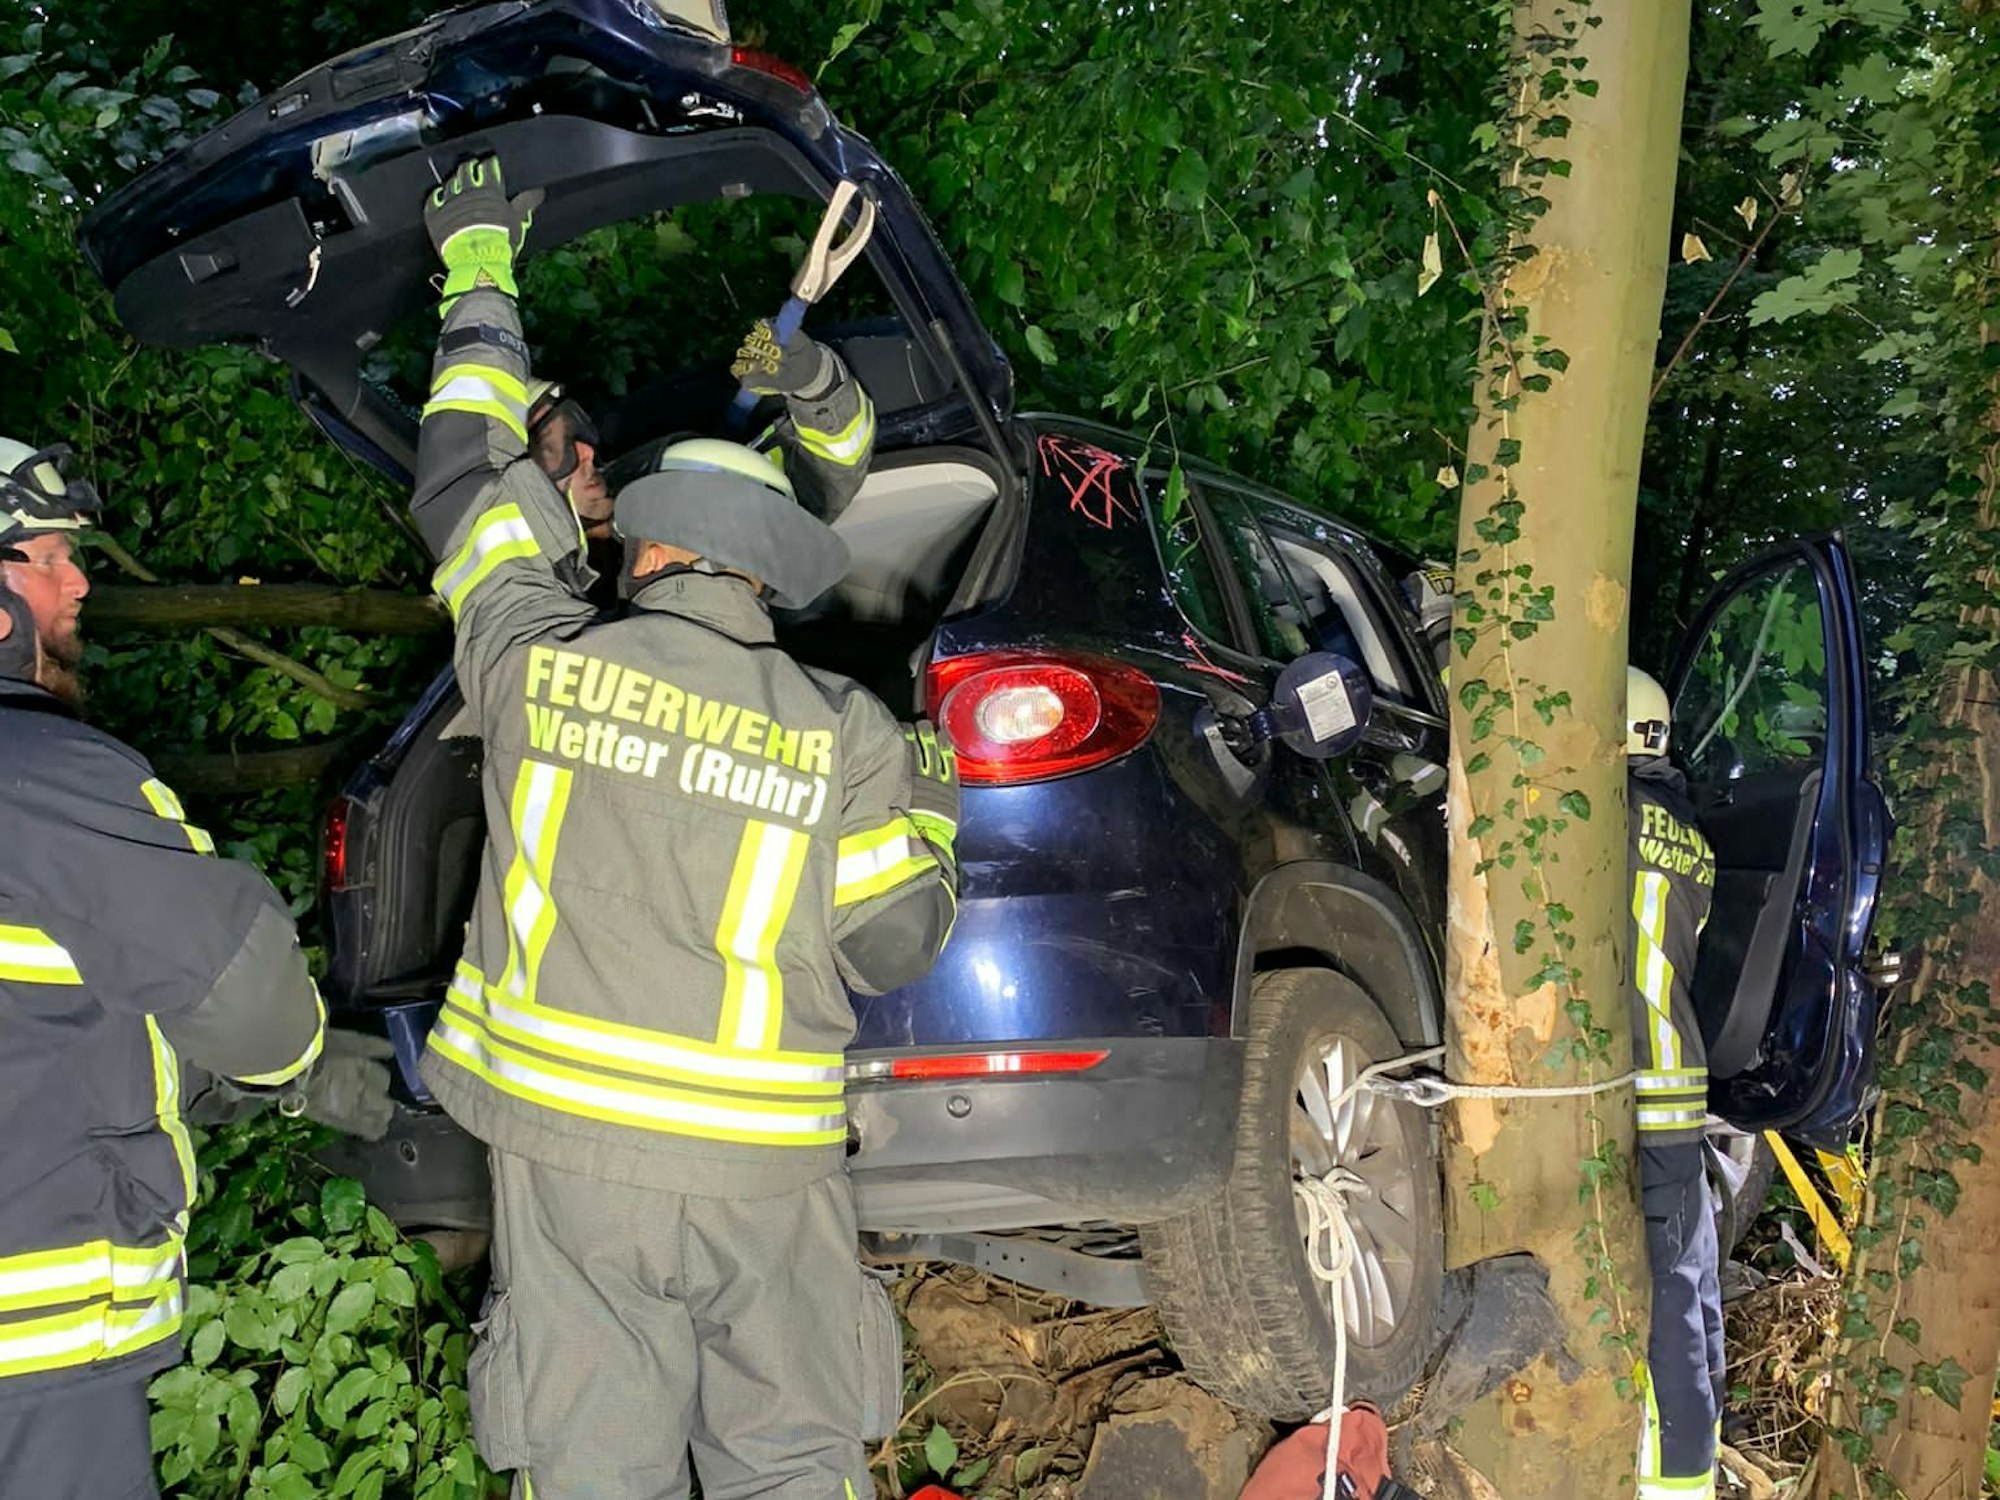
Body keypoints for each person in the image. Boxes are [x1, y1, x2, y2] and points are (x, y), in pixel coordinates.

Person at [410, 156, 959, 1499]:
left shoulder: (533, 664)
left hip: (568, 1159)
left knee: (592, 1465)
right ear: (765, 567)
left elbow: (464, 477)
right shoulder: (842, 730)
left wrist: (478, 278)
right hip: (759, 1172)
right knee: (789, 1462)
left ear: (637, 538)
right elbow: (893, 946)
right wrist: (934, 809)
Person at [0, 437, 391, 1500]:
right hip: (33, 1349)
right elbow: (244, 998)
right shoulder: (52, 778)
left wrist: (189, 1077)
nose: (79, 582)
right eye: (50, 558)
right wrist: (295, 1069)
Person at [1626, 665, 1724, 1500]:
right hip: (1678, 1080)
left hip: (1637, 1083)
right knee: (1692, 1280)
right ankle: (1698, 1466)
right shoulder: (1687, 833)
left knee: (1665, 1305)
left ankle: (1674, 1482)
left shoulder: (1606, 816)